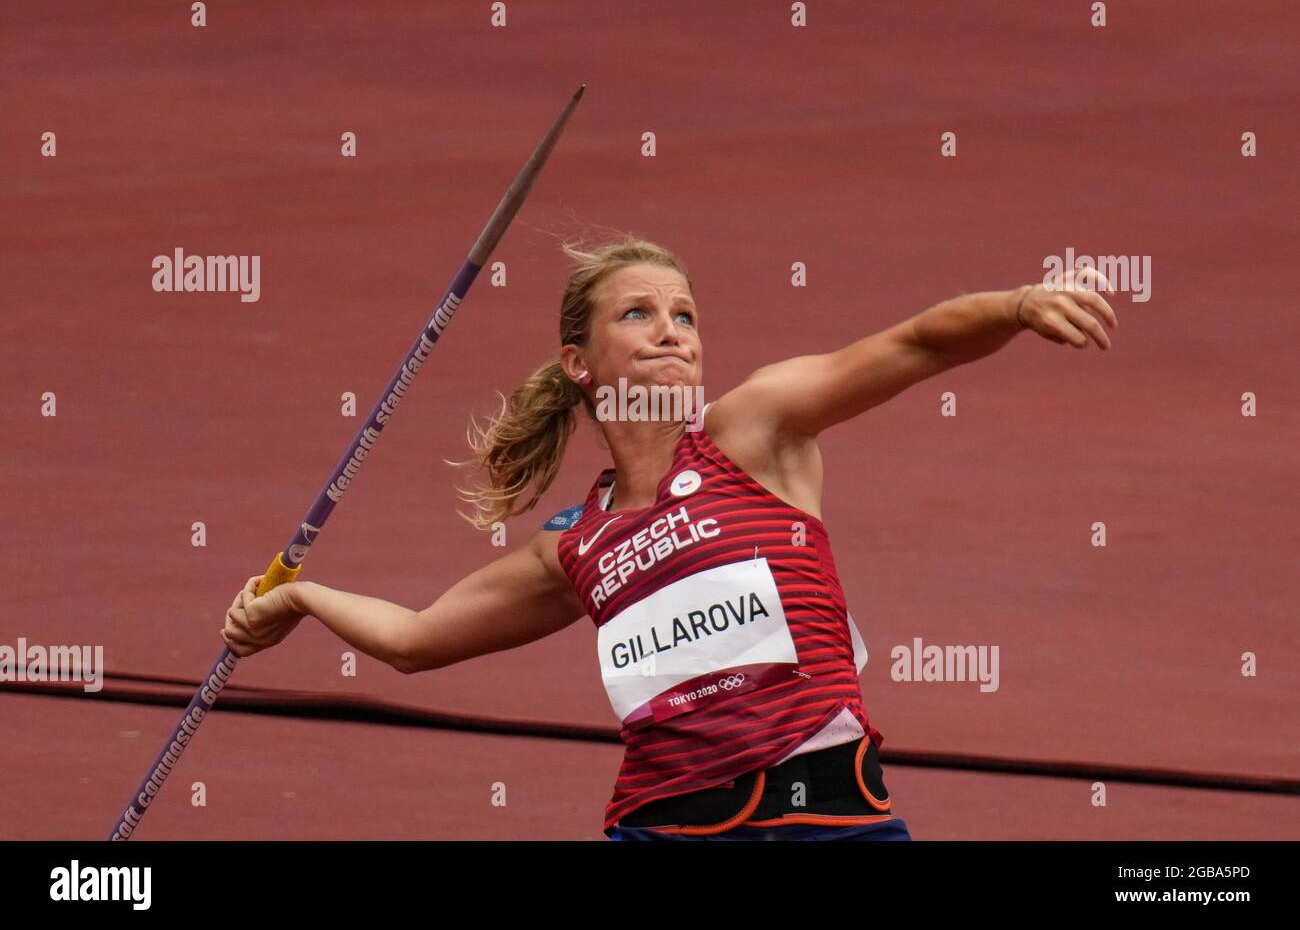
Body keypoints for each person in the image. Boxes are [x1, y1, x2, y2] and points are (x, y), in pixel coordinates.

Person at [222, 236, 1118, 840]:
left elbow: (918, 344)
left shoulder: (751, 432)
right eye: (639, 314)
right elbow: (414, 642)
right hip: (665, 822)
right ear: (580, 362)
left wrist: (1014, 306)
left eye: (685, 315)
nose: (670, 332)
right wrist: (299, 596)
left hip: (821, 811)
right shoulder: (575, 546)